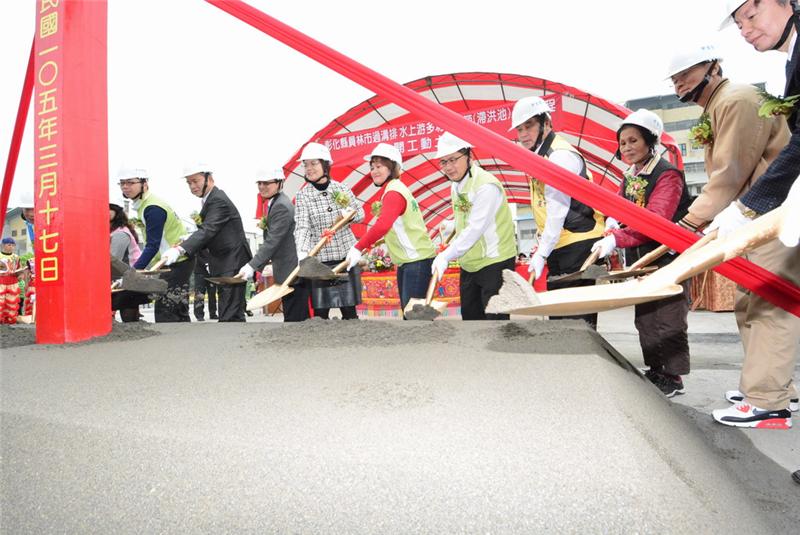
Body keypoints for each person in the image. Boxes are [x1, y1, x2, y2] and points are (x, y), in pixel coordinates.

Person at [703, 0, 800, 429]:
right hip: (772, 209)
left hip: (772, 214)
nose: (745, 29)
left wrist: (742, 208)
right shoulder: (789, 60)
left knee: (768, 303)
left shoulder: (737, 99)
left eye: (752, 14)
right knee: (753, 302)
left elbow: (735, 170)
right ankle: (775, 392)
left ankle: (771, 400)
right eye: (739, 22)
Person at [591, 110, 693, 397]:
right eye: (622, 143)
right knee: (646, 316)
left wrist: (615, 239)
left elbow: (655, 221)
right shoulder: (632, 175)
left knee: (668, 316)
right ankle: (656, 369)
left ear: (651, 141)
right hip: (641, 257)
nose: (627, 148)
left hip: (668, 256)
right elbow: (622, 206)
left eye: (633, 140)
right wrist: (612, 219)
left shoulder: (667, 174)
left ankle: (673, 376)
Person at [510, 96, 606, 329]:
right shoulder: (539, 156)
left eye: (530, 125)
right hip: (561, 244)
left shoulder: (560, 155)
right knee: (560, 315)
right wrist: (542, 246)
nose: (523, 134)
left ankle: (582, 363)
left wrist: (541, 253)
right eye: (519, 129)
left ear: (546, 123)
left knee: (576, 315)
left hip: (579, 242)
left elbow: (557, 209)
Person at [430, 133, 517, 320]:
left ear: (469, 156)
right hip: (470, 263)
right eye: (443, 162)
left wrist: (446, 255)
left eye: (453, 159)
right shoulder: (456, 185)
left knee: (496, 322)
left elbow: (476, 228)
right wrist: (450, 224)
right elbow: (466, 218)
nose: (448, 167)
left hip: (495, 261)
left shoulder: (486, 186)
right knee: (471, 319)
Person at [345, 143, 436, 316]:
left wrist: (358, 247)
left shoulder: (394, 192)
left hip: (417, 261)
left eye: (379, 166)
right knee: (411, 315)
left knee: (415, 319)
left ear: (392, 167)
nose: (374, 171)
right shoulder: (394, 189)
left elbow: (383, 225)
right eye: (372, 167)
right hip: (409, 262)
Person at [162, 164, 252, 322]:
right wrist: (187, 239)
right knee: (230, 311)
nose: (192, 186)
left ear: (209, 179)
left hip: (232, 260)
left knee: (229, 313)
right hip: (224, 260)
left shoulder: (218, 200)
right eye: (189, 183)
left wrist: (181, 249)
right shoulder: (210, 199)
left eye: (195, 181)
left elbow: (208, 230)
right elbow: (209, 231)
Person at [294, 142, 365, 320]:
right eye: (306, 164)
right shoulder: (303, 195)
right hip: (320, 263)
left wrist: (348, 215)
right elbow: (302, 226)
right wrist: (302, 253)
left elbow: (361, 214)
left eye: (313, 163)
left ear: (325, 165)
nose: (309, 168)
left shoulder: (341, 189)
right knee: (320, 314)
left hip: (344, 258)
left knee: (349, 311)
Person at [118, 167, 195, 322]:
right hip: (177, 261)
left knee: (165, 311)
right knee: (177, 308)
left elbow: (152, 246)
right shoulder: (147, 205)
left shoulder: (152, 208)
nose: (126, 187)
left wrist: (132, 273)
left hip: (175, 261)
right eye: (122, 183)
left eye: (131, 183)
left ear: (144, 184)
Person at [236, 167, 309, 322]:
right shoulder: (275, 203)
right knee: (293, 317)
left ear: (279, 183)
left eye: (266, 183)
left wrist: (252, 266)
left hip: (292, 272)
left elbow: (272, 241)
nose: (262, 187)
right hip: (287, 270)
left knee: (295, 319)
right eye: (259, 183)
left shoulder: (281, 206)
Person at [109, 201, 147, 322]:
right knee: (129, 316)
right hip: (123, 279)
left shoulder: (120, 234)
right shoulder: (115, 232)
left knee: (129, 319)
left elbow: (114, 259)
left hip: (127, 279)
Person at [0, 237, 24, 324]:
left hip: (13, 282)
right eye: (9, 245)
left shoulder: (16, 257)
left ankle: (10, 320)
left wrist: (21, 275)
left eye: (13, 245)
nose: (11, 247)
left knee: (12, 302)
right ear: (3, 245)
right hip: (1, 282)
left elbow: (20, 269)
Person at [193, 250, 218, 321]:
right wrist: (206, 264)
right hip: (200, 272)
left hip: (212, 273)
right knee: (200, 293)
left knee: (212, 293)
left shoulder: (214, 244)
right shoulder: (201, 243)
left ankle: (213, 314)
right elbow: (197, 255)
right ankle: (199, 314)